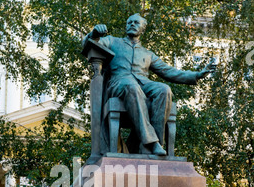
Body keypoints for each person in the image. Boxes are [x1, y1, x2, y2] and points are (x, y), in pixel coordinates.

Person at [83, 13, 216, 155]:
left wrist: (197, 75)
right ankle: (152, 142)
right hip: (119, 83)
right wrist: (94, 33)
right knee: (131, 86)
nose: (132, 24)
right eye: (129, 22)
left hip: (143, 84)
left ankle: (150, 147)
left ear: (143, 29)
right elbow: (88, 44)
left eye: (136, 23)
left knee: (164, 89)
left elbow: (169, 72)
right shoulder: (112, 42)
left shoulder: (147, 54)